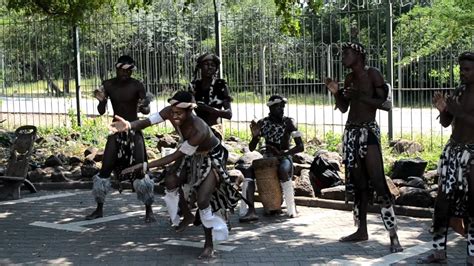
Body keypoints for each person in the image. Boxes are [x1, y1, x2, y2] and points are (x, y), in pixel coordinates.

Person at [112, 91, 241, 259]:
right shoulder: (170, 112)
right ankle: (187, 215)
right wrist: (129, 125)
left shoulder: (199, 129)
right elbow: (146, 122)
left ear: (190, 111)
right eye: (172, 112)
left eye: (179, 113)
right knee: (171, 180)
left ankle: (209, 244)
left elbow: (175, 156)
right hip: (190, 152)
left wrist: (144, 165)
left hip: (211, 156)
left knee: (203, 199)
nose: (174, 116)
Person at [325, 42, 403, 253]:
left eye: (346, 54)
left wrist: (360, 96)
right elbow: (343, 108)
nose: (342, 58)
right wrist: (336, 92)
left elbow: (385, 104)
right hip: (351, 133)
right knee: (359, 185)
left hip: (367, 133)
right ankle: (362, 230)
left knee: (378, 183)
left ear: (358, 55)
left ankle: (394, 236)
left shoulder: (373, 74)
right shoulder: (349, 78)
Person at [417, 52, 474, 264]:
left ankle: (472, 255)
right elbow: (446, 122)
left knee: (472, 206)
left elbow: (462, 115)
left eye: (467, 69)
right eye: (461, 69)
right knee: (441, 204)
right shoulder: (458, 91)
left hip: (472, 155)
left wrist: (458, 111)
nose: (463, 73)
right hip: (453, 154)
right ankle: (439, 252)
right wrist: (443, 109)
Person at [85, 55, 156, 223]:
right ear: (116, 69)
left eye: (128, 70)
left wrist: (144, 105)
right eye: (121, 70)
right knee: (105, 169)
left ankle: (149, 210)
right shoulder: (108, 84)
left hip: (133, 129)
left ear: (132, 71)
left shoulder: (137, 85)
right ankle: (99, 209)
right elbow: (101, 111)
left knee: (140, 170)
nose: (125, 73)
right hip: (116, 131)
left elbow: (145, 111)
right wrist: (102, 100)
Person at [239, 95, 304, 222]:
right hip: (267, 158)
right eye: (278, 106)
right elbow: (252, 148)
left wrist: (283, 153)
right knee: (248, 172)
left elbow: (300, 146)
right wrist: (255, 136)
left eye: (283, 106)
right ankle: (250, 210)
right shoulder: (263, 123)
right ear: (271, 108)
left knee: (283, 170)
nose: (282, 109)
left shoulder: (289, 122)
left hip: (284, 156)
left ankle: (292, 208)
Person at [189, 53, 232, 137]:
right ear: (200, 67)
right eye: (206, 64)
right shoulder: (194, 85)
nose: (209, 67)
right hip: (197, 126)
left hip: (215, 128)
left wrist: (209, 109)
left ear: (216, 69)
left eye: (213, 65)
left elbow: (229, 114)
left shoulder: (221, 85)